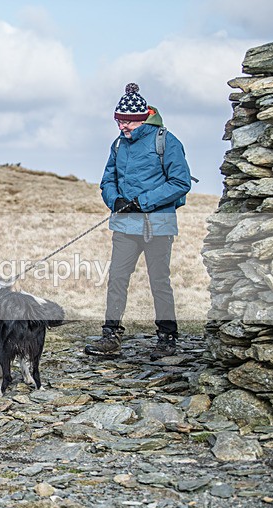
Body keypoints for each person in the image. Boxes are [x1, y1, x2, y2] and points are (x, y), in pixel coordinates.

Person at [85, 83, 192, 359]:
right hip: (125, 226)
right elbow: (108, 180)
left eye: (128, 121)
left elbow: (180, 182)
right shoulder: (118, 144)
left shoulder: (166, 141)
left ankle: (167, 337)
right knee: (117, 279)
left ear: (143, 117)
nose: (122, 126)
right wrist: (115, 201)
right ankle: (110, 336)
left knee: (160, 281)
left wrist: (143, 202)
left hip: (158, 225)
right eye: (119, 120)